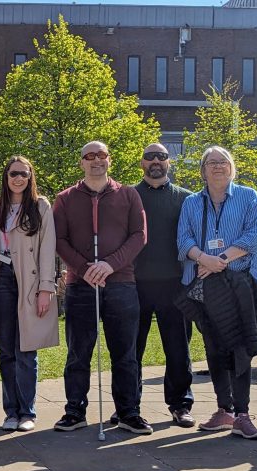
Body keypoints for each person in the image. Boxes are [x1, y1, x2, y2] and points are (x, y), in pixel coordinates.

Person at [51, 141, 150, 435]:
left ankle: (128, 411)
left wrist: (108, 265)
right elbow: (59, 240)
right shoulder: (65, 198)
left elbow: (139, 236)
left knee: (125, 353)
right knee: (79, 352)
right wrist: (85, 269)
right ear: (81, 162)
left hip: (121, 284)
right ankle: (74, 410)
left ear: (110, 160)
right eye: (89, 156)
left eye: (101, 155)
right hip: (81, 287)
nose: (96, 161)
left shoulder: (129, 195)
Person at [175, 145, 257, 441]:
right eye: (211, 162)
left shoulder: (247, 196)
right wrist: (204, 259)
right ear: (203, 170)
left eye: (223, 162)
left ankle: (242, 414)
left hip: (238, 283)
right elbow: (183, 239)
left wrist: (221, 260)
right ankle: (223, 410)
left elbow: (254, 235)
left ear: (232, 168)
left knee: (240, 349)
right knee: (214, 348)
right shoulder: (192, 202)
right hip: (204, 287)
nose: (218, 167)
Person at [0, 156, 57, 433]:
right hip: (0, 279)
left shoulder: (40, 206)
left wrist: (46, 288)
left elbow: (48, 248)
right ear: (6, 176)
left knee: (27, 349)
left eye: (24, 174)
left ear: (30, 177)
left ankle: (27, 412)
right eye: (13, 173)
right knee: (6, 349)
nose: (18, 178)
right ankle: (10, 411)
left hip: (30, 281)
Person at [132, 142, 197, 428]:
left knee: (178, 348)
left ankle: (181, 404)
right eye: (150, 157)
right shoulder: (128, 196)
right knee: (131, 349)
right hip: (134, 284)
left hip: (176, 284)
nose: (156, 161)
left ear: (169, 162)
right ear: (142, 163)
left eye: (161, 156)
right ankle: (128, 405)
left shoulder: (187, 198)